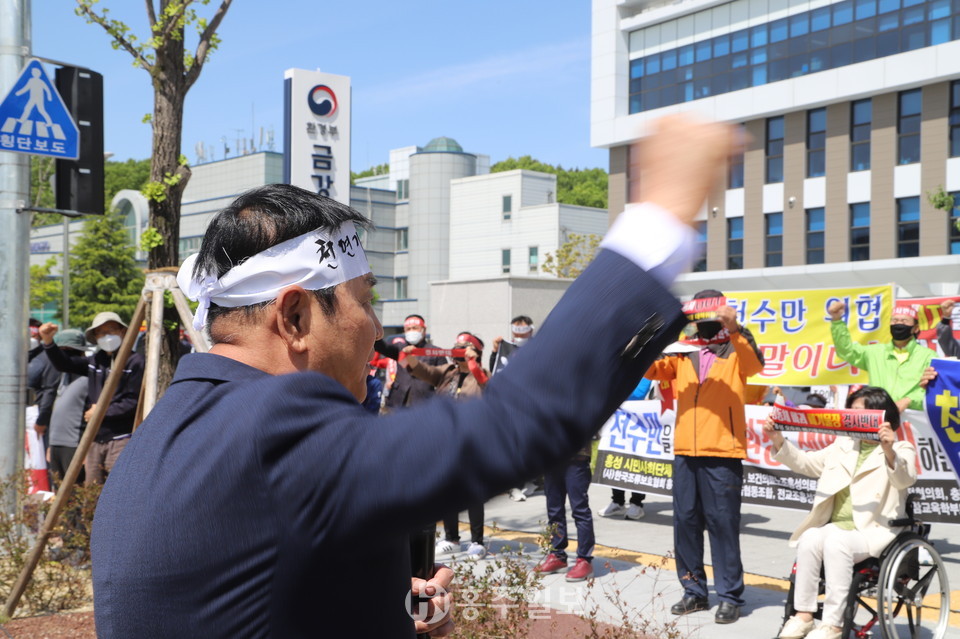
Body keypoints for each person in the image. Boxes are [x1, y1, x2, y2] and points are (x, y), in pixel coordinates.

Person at [89, 113, 740, 638]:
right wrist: (660, 216)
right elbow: (515, 425)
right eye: (365, 300)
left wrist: (382, 604)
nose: (377, 328)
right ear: (294, 316)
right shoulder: (270, 428)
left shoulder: (163, 433)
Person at [644, 291, 764, 624]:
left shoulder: (737, 345)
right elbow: (652, 369)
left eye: (714, 313)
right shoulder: (683, 350)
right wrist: (650, 337)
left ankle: (729, 596)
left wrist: (734, 328)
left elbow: (755, 366)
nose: (706, 321)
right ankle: (694, 591)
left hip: (723, 451)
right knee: (685, 522)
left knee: (722, 524)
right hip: (685, 450)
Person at [765, 386, 917, 639]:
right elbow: (807, 464)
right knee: (810, 538)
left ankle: (833, 624)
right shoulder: (844, 444)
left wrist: (889, 450)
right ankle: (803, 616)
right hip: (836, 525)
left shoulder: (902, 448)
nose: (853, 417)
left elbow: (904, 479)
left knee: (836, 543)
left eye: (859, 412)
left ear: (880, 416)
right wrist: (777, 439)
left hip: (872, 530)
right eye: (851, 412)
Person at [403, 332, 490, 560]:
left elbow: (485, 384)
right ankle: (452, 538)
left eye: (464, 346)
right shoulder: (448, 372)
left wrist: (473, 362)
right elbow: (422, 371)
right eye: (457, 346)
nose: (458, 349)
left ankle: (477, 541)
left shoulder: (481, 374)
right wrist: (409, 356)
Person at [38, 311, 145, 484]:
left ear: (123, 332)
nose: (107, 336)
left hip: (122, 437)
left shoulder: (135, 362)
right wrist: (48, 342)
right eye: (101, 333)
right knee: (92, 490)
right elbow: (65, 364)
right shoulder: (97, 361)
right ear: (95, 337)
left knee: (116, 486)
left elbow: (133, 401)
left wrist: (101, 412)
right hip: (95, 438)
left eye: (111, 330)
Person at [829, 301, 934, 412]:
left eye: (904, 321)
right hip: (877, 415)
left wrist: (910, 400)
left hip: (912, 417)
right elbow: (845, 350)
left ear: (916, 328)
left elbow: (934, 389)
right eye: (894, 321)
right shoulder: (874, 352)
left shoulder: (928, 356)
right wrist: (837, 320)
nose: (898, 324)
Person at [534, 443, 596, 582]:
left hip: (576, 458)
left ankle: (584, 560)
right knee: (554, 510)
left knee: (580, 510)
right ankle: (558, 556)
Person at [45, 330, 90, 487]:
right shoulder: (62, 376)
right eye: (61, 351)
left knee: (76, 492)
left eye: (68, 351)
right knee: (59, 492)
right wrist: (51, 445)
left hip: (75, 445)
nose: (64, 357)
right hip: (56, 444)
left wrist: (87, 450)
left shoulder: (89, 376)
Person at [376, 314, 446, 409]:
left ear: (423, 330)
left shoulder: (435, 351)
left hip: (424, 403)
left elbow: (444, 379)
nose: (411, 331)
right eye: (408, 329)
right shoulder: (400, 348)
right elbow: (383, 347)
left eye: (415, 328)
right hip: (397, 402)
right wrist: (373, 331)